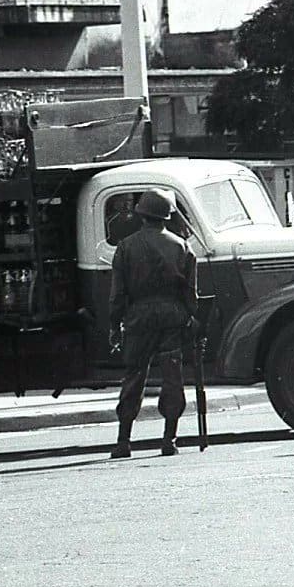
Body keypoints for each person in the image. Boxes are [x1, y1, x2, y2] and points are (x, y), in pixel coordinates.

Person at [109, 188, 198, 458]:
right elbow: (190, 292)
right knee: (172, 376)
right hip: (172, 317)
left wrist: (114, 325)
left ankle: (124, 441)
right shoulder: (182, 246)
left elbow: (117, 294)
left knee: (134, 376)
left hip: (139, 319)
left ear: (141, 216)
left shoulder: (126, 247)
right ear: (166, 216)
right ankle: (169, 440)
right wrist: (192, 317)